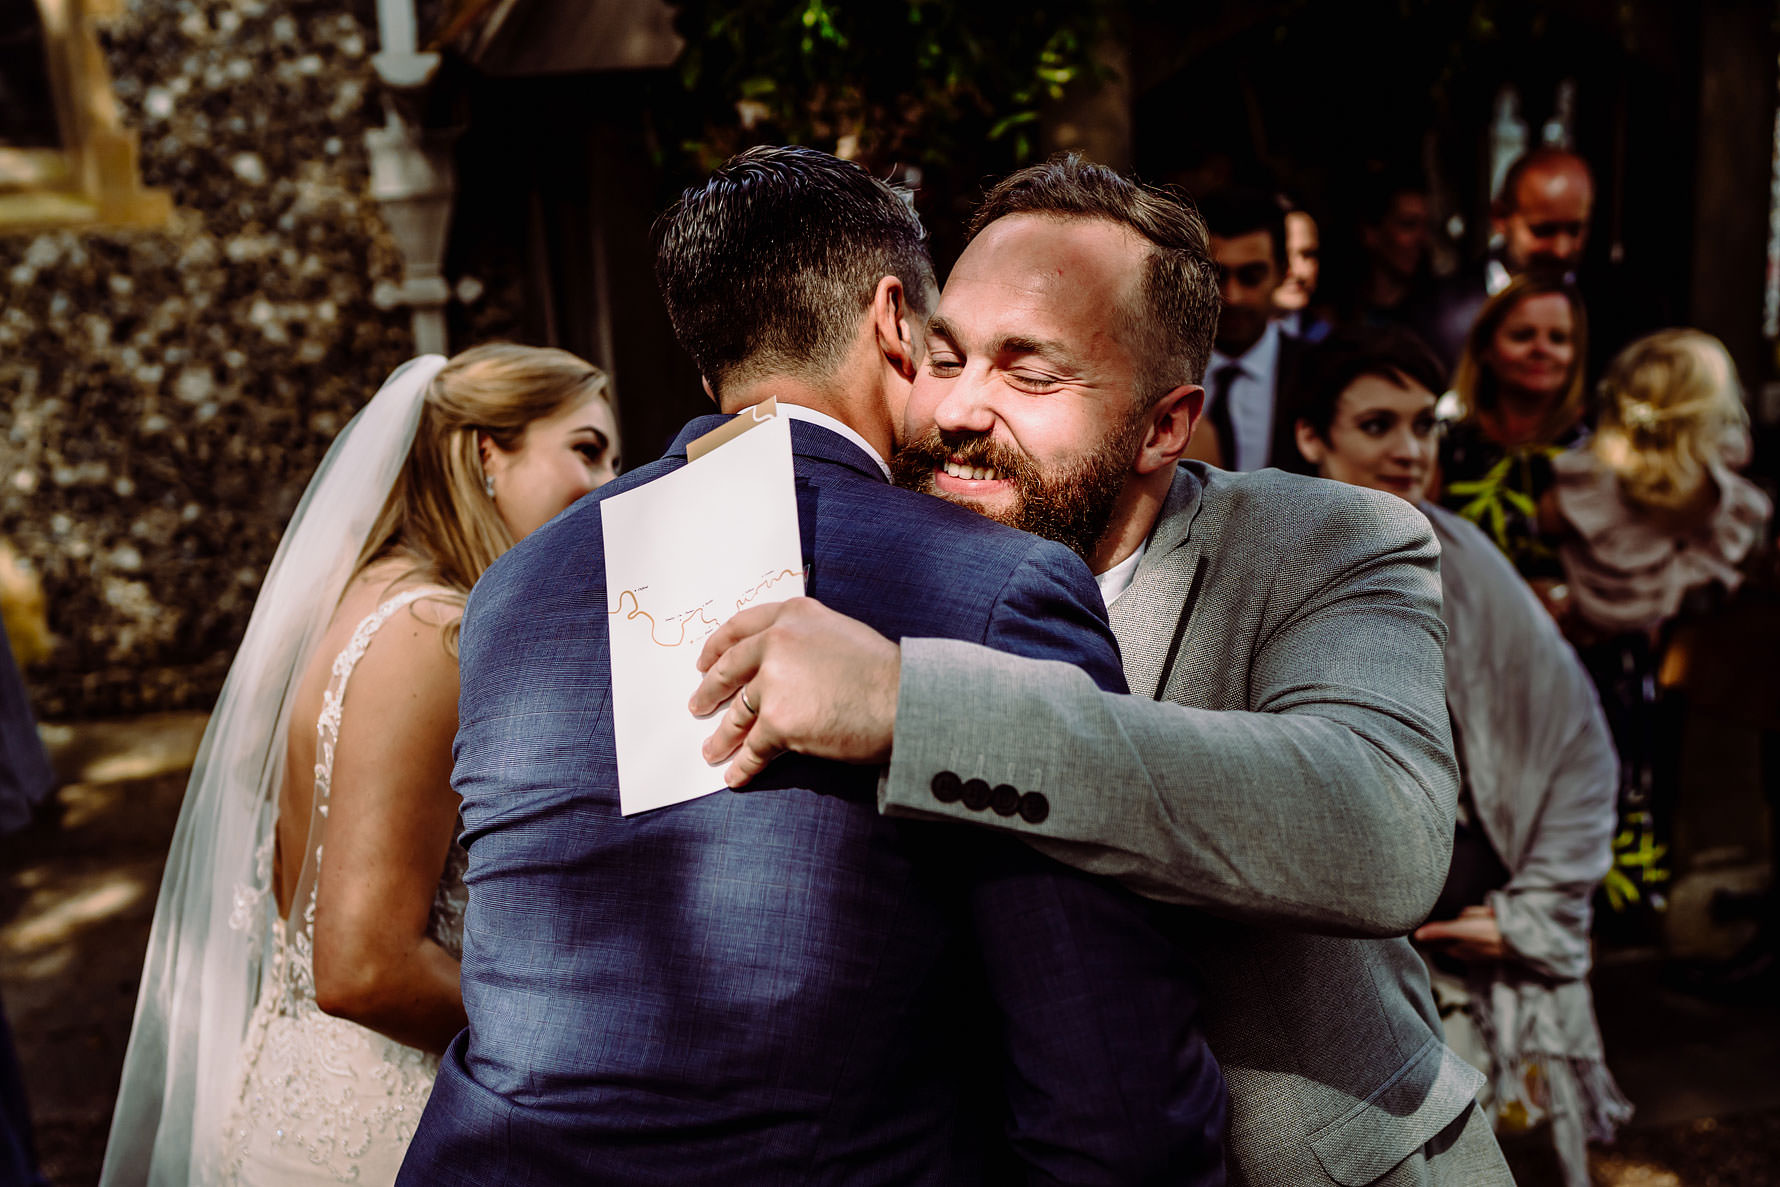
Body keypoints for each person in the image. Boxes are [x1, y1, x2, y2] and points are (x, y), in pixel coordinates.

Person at [399, 146, 1225, 1186]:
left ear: (710, 363)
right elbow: (1107, 1079)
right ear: (892, 321)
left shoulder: (513, 591)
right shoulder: (992, 587)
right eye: (939, 343)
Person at [689, 154, 1513, 1186]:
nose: (958, 410)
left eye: (1029, 374)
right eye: (945, 359)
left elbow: (1382, 827)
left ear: (1164, 424)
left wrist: (915, 706)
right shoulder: (862, 555)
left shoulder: (1328, 540)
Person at [101, 344, 621, 1186]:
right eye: (587, 449)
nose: (606, 485)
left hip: (296, 1098)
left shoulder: (363, 596)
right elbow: (363, 966)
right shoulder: (432, 635)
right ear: (489, 453)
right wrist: (576, 1034)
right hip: (386, 1134)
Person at [1289, 327, 1633, 1187]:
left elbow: (1581, 747)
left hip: (1468, 946)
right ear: (1310, 438)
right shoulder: (1263, 562)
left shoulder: (1466, 558)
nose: (1410, 451)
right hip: (1315, 968)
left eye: (1425, 425)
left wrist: (1533, 913)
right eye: (1378, 426)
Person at [1437, 271, 1590, 605]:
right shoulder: (1443, 445)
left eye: (1559, 338)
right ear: (1486, 349)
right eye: (1523, 336)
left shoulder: (1595, 454)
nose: (1541, 349)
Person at [1186, 188, 1302, 471]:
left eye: (1251, 276)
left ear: (1283, 272)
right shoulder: (1160, 371)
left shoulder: (1317, 371)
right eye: (1217, 276)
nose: (1233, 296)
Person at [1273, 203, 1330, 343]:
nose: (1299, 272)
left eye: (1308, 255)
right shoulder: (1212, 345)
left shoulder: (1333, 343)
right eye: (1283, 255)